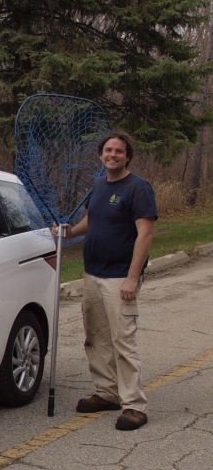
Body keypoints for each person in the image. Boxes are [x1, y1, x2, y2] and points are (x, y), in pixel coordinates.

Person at [53, 131, 158, 430]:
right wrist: (70, 232)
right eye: (108, 150)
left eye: (119, 151)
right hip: (92, 274)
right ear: (101, 155)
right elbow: (93, 220)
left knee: (122, 341)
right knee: (96, 338)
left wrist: (132, 278)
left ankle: (134, 406)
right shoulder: (98, 185)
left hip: (119, 278)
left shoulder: (138, 188)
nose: (113, 155)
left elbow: (145, 234)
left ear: (127, 156)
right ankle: (107, 392)